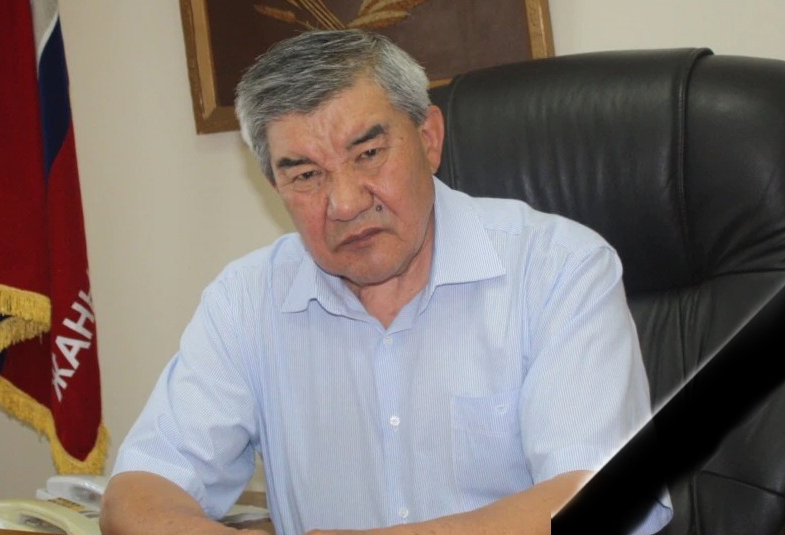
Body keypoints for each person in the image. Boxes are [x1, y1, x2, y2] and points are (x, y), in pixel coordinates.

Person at [100, 29, 671, 535]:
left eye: (369, 153)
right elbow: (137, 493)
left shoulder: (557, 269)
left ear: (429, 139)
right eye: (306, 175)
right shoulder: (245, 301)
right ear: (275, 186)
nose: (345, 203)